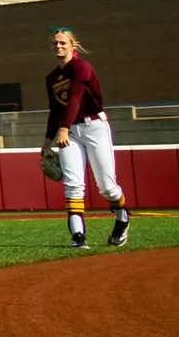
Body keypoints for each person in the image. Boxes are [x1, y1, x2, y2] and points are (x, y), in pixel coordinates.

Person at [46, 28, 130, 249]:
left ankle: (122, 217)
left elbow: (75, 98)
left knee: (107, 187)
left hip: (94, 127)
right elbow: (55, 111)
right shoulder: (52, 77)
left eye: (63, 42)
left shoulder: (82, 67)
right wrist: (46, 144)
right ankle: (78, 237)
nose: (58, 46)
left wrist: (62, 129)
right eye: (55, 43)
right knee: (73, 186)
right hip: (70, 132)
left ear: (73, 45)